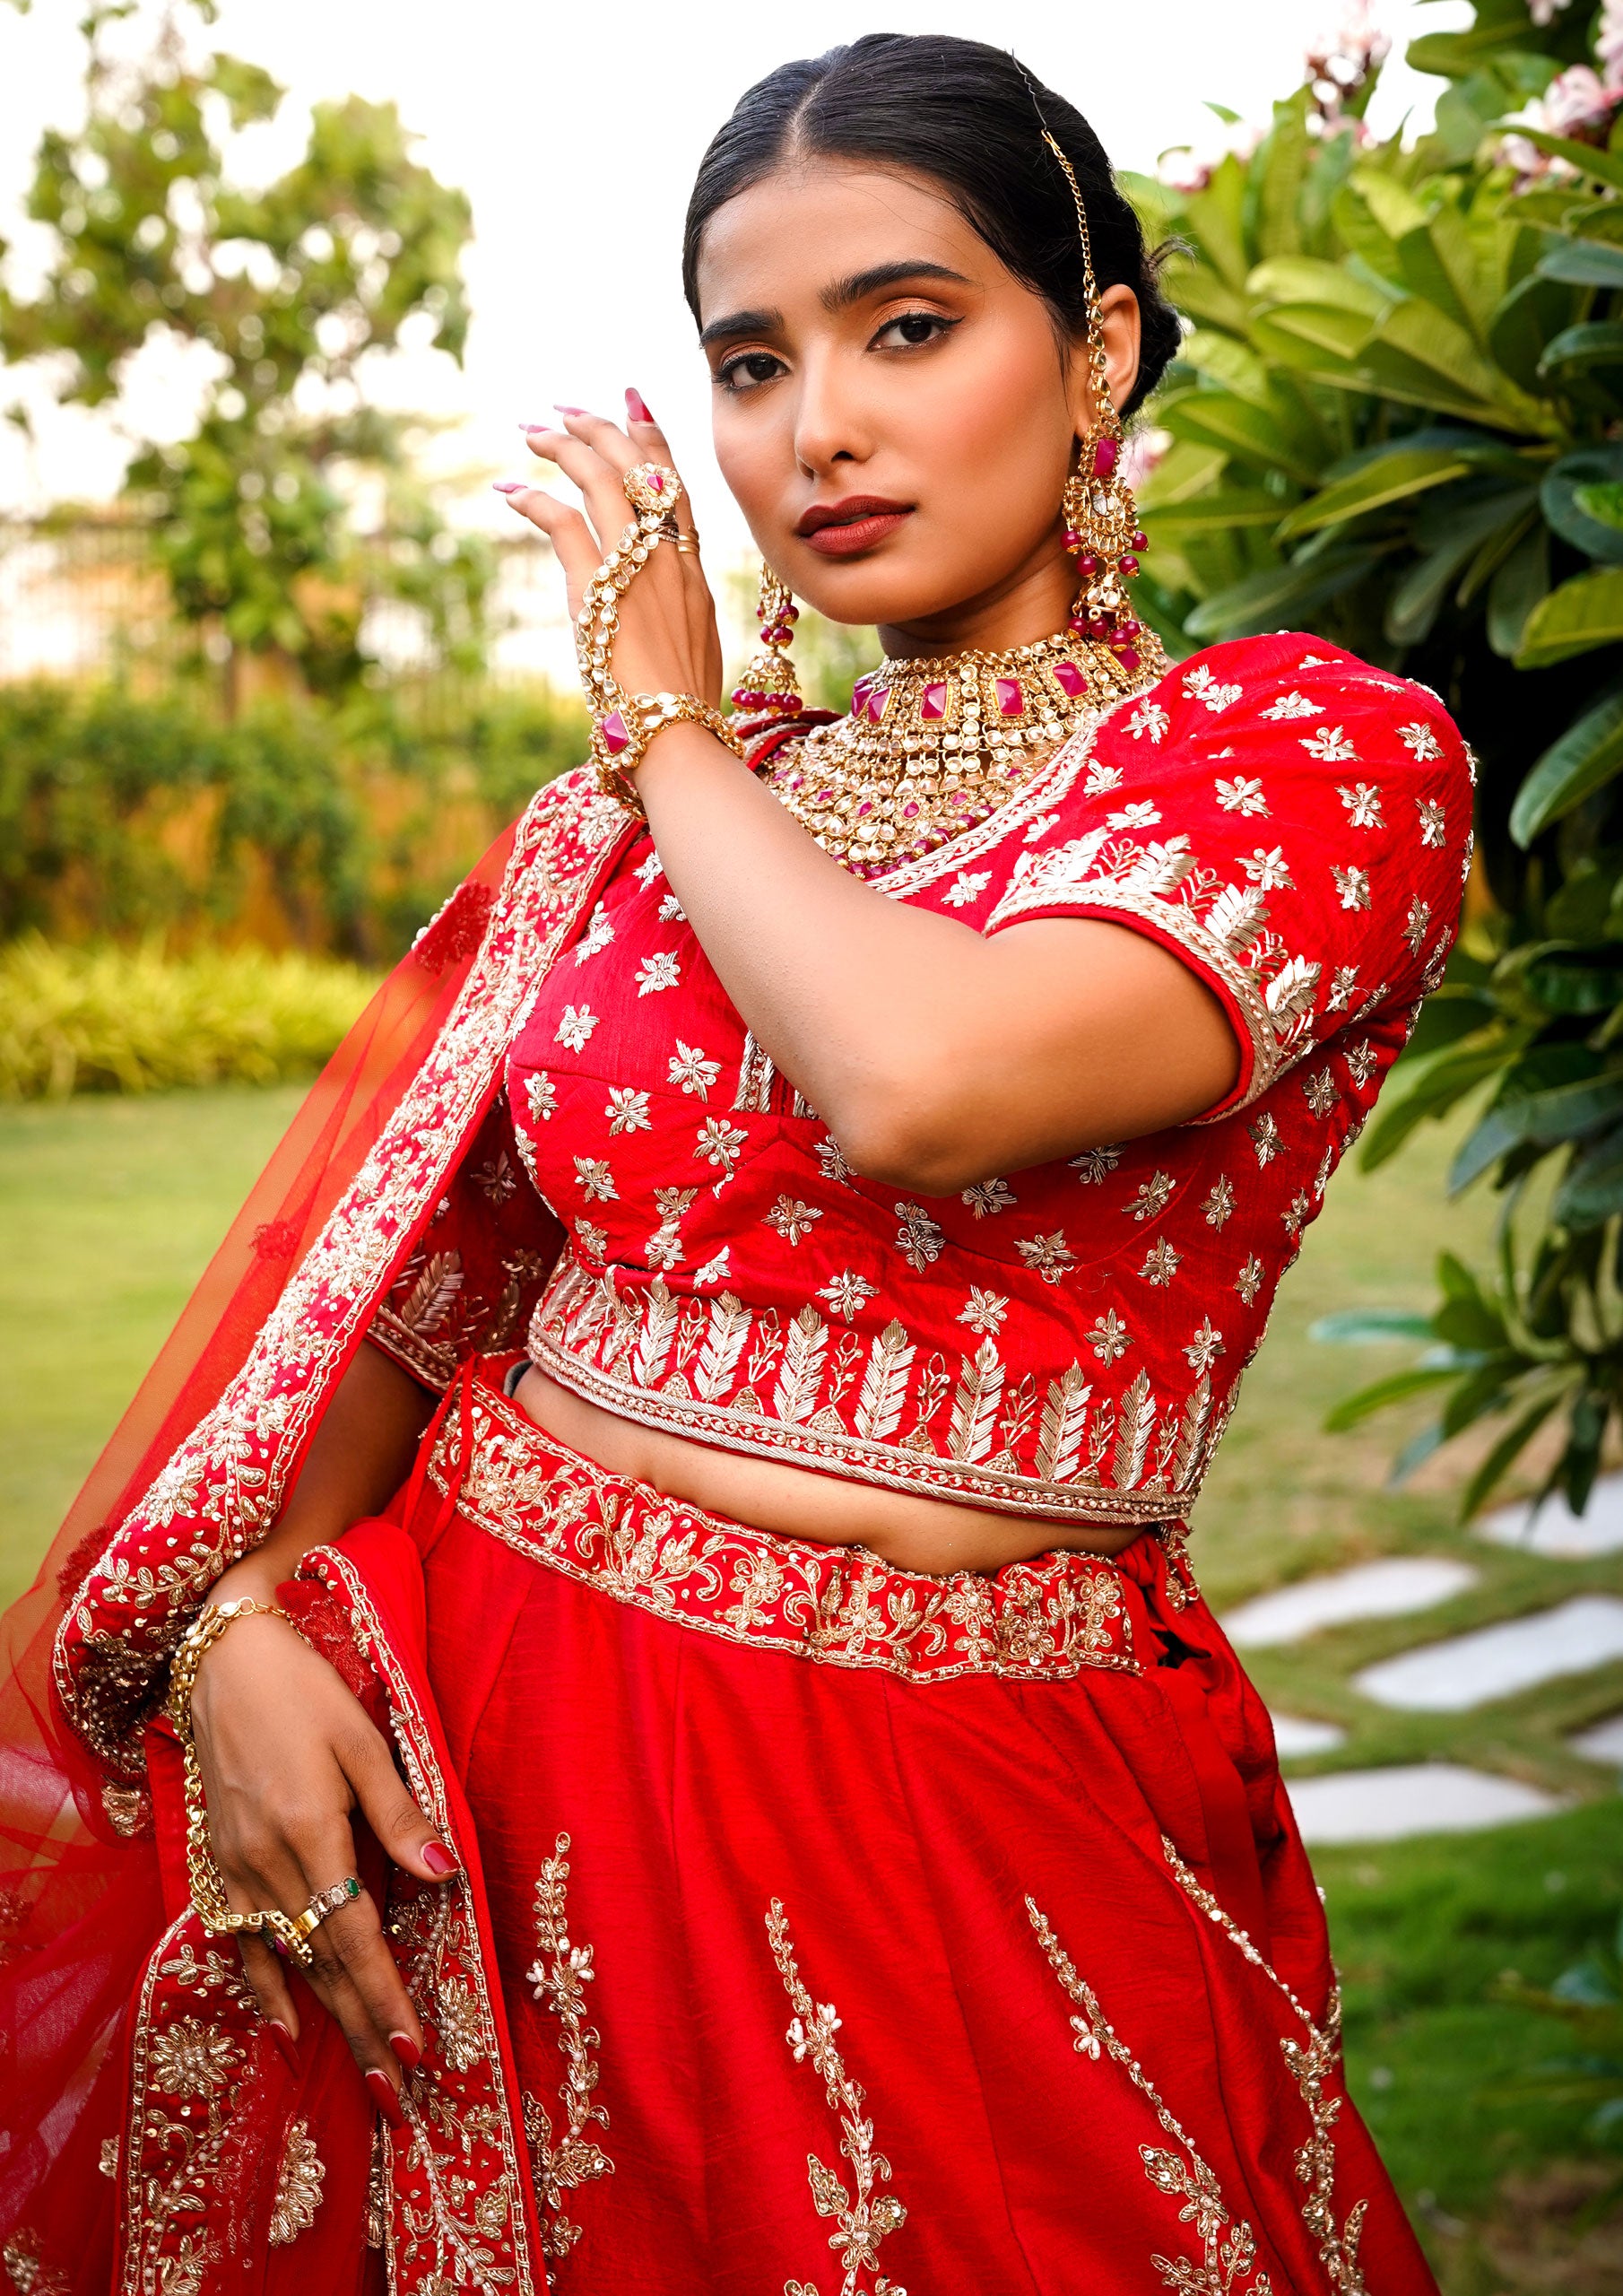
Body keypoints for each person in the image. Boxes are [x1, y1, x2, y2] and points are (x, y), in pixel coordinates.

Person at [0, 32, 1471, 2293]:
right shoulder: (637, 826)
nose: (817, 431)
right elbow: (412, 1286)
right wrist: (230, 1623)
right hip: (478, 1752)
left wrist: (668, 726)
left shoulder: (1296, 752)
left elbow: (918, 1076)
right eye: (750, 363)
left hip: (957, 1801)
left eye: (908, 327)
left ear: (1089, 353)